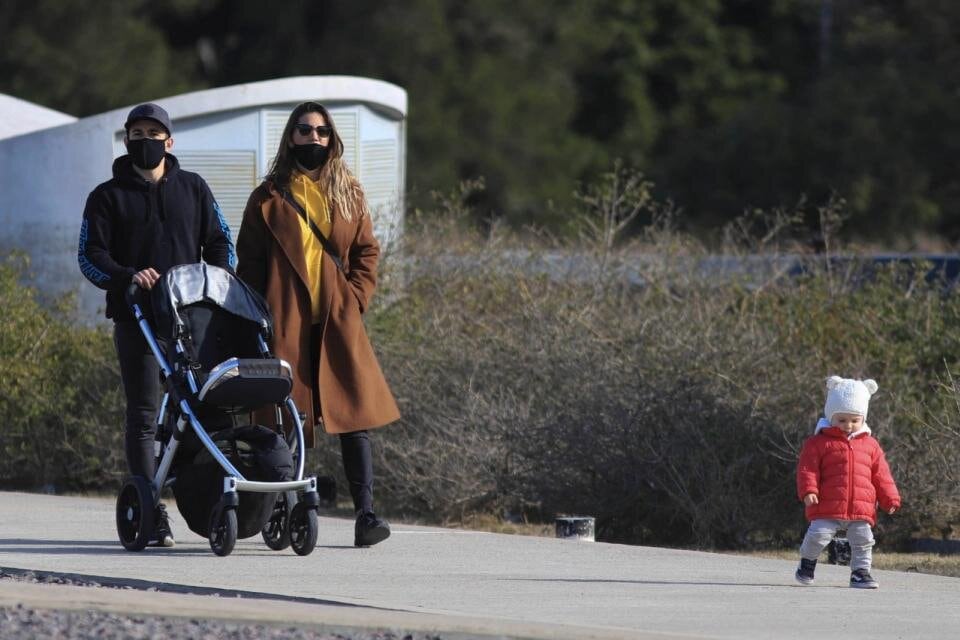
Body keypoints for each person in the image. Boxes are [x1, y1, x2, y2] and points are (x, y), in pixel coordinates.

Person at [236, 101, 400, 547]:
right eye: (305, 130)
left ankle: (366, 515)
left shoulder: (348, 191)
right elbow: (248, 264)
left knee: (353, 417)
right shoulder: (267, 197)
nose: (314, 138)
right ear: (291, 137)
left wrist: (356, 298)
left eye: (322, 131)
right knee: (288, 419)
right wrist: (260, 315)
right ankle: (288, 505)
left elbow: (366, 252)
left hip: (336, 320)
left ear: (332, 139)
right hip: (285, 322)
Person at [78, 103, 236, 547]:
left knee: (204, 410)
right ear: (127, 140)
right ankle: (151, 508)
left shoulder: (194, 187)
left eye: (153, 133)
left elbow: (221, 242)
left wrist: (214, 282)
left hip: (192, 322)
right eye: (137, 134)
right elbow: (90, 256)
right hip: (137, 321)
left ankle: (213, 502)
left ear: (169, 140)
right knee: (144, 415)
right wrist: (128, 275)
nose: (145, 141)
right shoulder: (106, 196)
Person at [794, 376, 901, 588]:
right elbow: (807, 469)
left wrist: (890, 498)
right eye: (842, 420)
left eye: (854, 420)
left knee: (863, 540)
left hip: (861, 507)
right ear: (830, 416)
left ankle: (860, 573)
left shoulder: (870, 445)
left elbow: (882, 475)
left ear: (863, 418)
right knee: (818, 536)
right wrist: (808, 490)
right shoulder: (818, 442)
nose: (848, 425)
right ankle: (807, 562)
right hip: (827, 505)